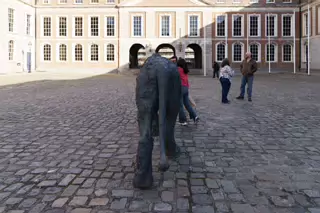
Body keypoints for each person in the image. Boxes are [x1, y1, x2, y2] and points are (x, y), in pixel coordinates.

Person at [177, 58, 199, 126]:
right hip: (186, 88)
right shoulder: (185, 70)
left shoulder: (178, 69)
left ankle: (183, 120)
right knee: (187, 104)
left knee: (180, 105)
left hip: (181, 88)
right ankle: (195, 116)